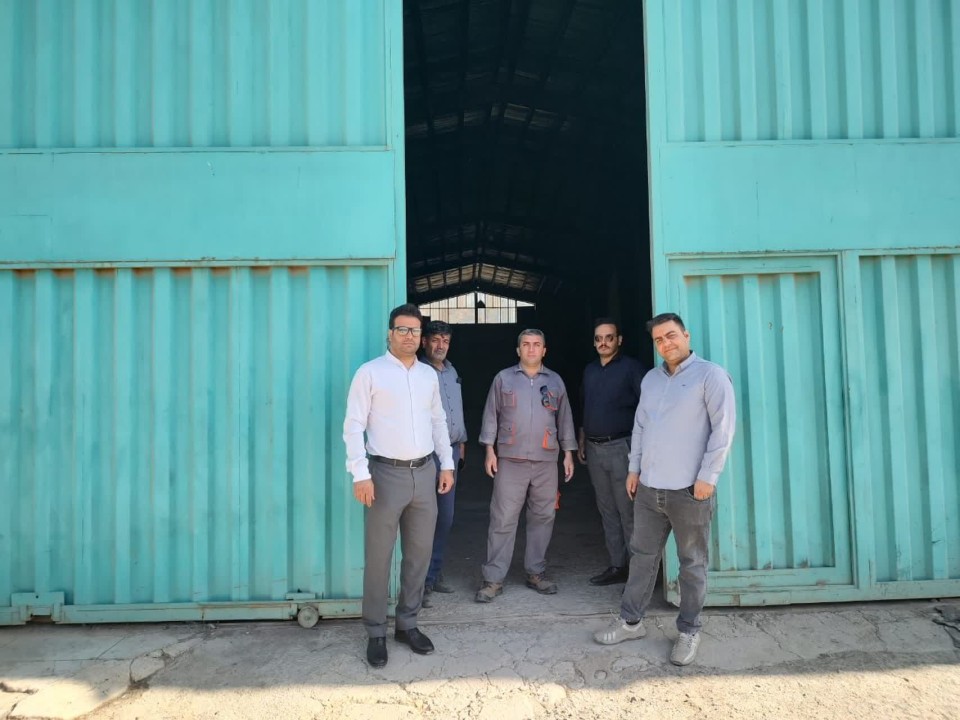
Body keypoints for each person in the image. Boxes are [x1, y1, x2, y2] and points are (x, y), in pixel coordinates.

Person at [594, 313, 736, 666]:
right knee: (642, 556)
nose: (665, 343)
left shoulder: (711, 376)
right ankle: (631, 621)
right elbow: (640, 426)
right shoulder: (651, 380)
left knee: (692, 563)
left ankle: (689, 630)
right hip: (649, 487)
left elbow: (723, 430)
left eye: (671, 335)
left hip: (689, 490)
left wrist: (708, 476)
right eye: (659, 339)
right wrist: (634, 469)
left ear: (686, 335)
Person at [343, 304, 455, 669]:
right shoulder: (370, 373)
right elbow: (353, 425)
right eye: (402, 330)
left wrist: (447, 464)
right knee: (379, 557)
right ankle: (376, 631)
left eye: (415, 331)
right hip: (384, 475)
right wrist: (360, 473)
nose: (409, 336)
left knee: (419, 554)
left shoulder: (427, 376)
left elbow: (438, 421)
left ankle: (408, 624)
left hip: (424, 472)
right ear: (390, 333)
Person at [475, 329, 577, 602]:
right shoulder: (503, 378)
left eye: (536, 344)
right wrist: (489, 450)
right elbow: (491, 415)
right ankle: (493, 579)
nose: (531, 349)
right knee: (503, 518)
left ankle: (536, 573)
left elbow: (565, 418)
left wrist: (568, 453)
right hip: (510, 460)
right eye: (526, 344)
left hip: (546, 460)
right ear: (518, 349)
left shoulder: (555, 381)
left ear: (544, 350)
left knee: (543, 517)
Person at [577, 317, 647, 586]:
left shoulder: (631, 369)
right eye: (598, 338)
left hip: (621, 448)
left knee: (628, 511)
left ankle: (639, 573)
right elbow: (585, 405)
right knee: (606, 510)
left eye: (609, 337)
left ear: (619, 340)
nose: (603, 343)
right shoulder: (590, 370)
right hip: (594, 449)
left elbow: (647, 408)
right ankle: (617, 566)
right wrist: (582, 438)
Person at [419, 320, 468, 607]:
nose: (441, 345)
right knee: (425, 519)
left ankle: (434, 574)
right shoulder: (418, 372)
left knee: (445, 518)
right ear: (425, 342)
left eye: (445, 340)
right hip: (427, 455)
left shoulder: (452, 371)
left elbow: (456, 410)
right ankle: (421, 582)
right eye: (436, 339)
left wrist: (462, 442)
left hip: (452, 452)